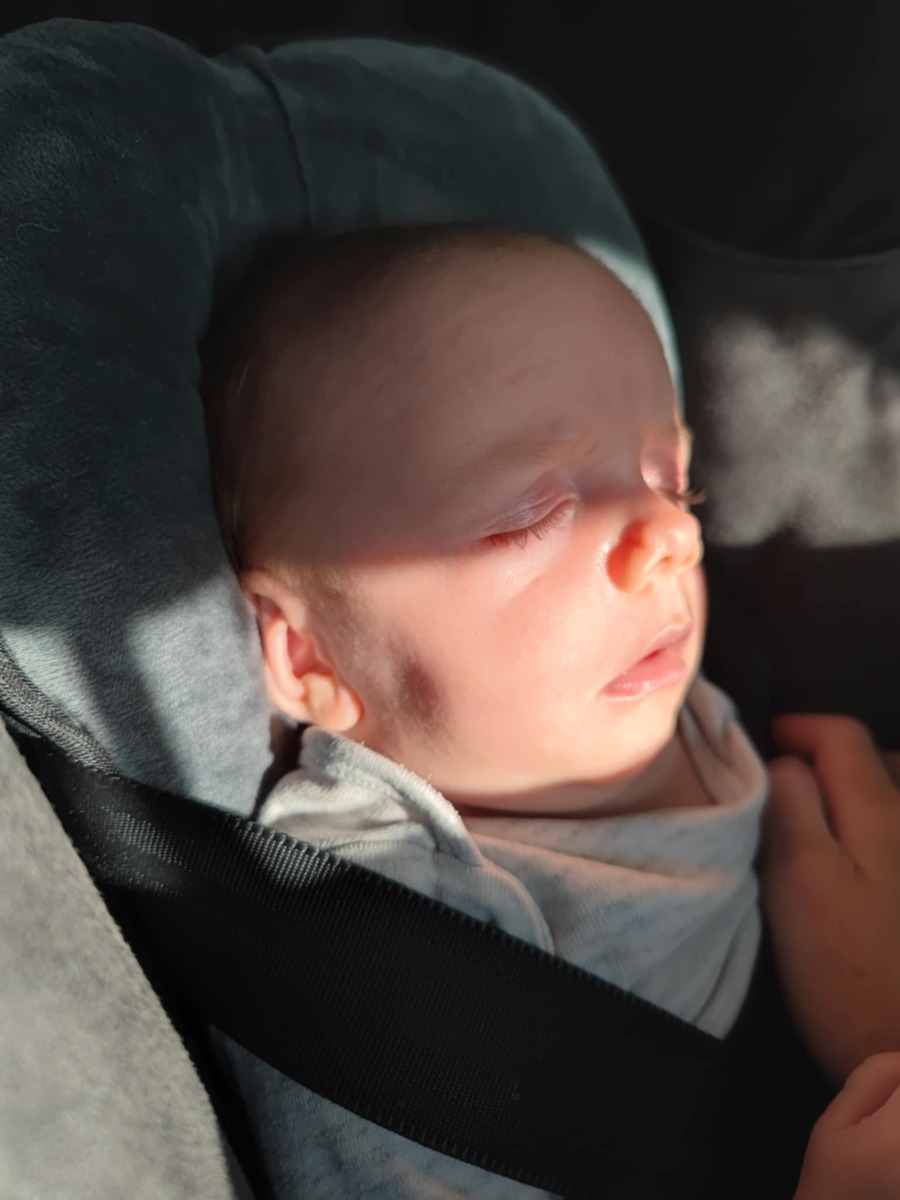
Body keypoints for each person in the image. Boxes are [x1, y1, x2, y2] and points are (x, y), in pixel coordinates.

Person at [203, 222, 900, 1198]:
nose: (671, 534)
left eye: (673, 480)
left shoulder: (676, 698)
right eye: (530, 514)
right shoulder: (391, 926)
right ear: (307, 654)